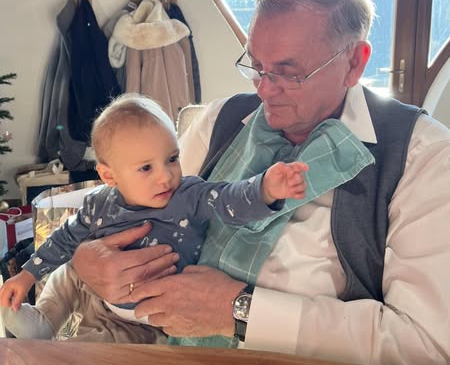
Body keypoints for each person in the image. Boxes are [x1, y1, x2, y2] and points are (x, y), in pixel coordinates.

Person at [70, 0, 449, 365]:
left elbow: (427, 346)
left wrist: (240, 311)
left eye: (288, 72)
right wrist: (97, 271)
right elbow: (138, 223)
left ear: (354, 62)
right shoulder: (220, 121)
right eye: (255, 65)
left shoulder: (422, 156)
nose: (264, 89)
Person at [0, 93, 309, 342]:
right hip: (95, 291)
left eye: (172, 159)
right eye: (146, 168)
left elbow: (230, 199)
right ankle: (44, 320)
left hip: (144, 317)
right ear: (109, 176)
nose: (166, 176)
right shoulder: (98, 204)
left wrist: (266, 189)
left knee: (91, 356)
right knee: (67, 272)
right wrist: (27, 276)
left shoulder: (188, 194)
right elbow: (64, 238)